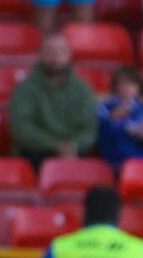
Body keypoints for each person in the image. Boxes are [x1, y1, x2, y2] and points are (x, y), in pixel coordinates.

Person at [9, 33, 98, 171]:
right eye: (49, 51)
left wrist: (73, 146)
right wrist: (55, 145)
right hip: (36, 154)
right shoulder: (25, 89)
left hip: (74, 154)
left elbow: (89, 129)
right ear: (40, 54)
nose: (55, 57)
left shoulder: (82, 89)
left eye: (60, 51)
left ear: (69, 54)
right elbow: (22, 128)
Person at [96, 68, 143, 173]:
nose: (127, 88)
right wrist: (111, 119)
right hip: (111, 163)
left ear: (139, 88)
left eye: (131, 84)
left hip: (138, 164)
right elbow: (99, 139)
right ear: (115, 87)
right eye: (123, 84)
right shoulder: (104, 108)